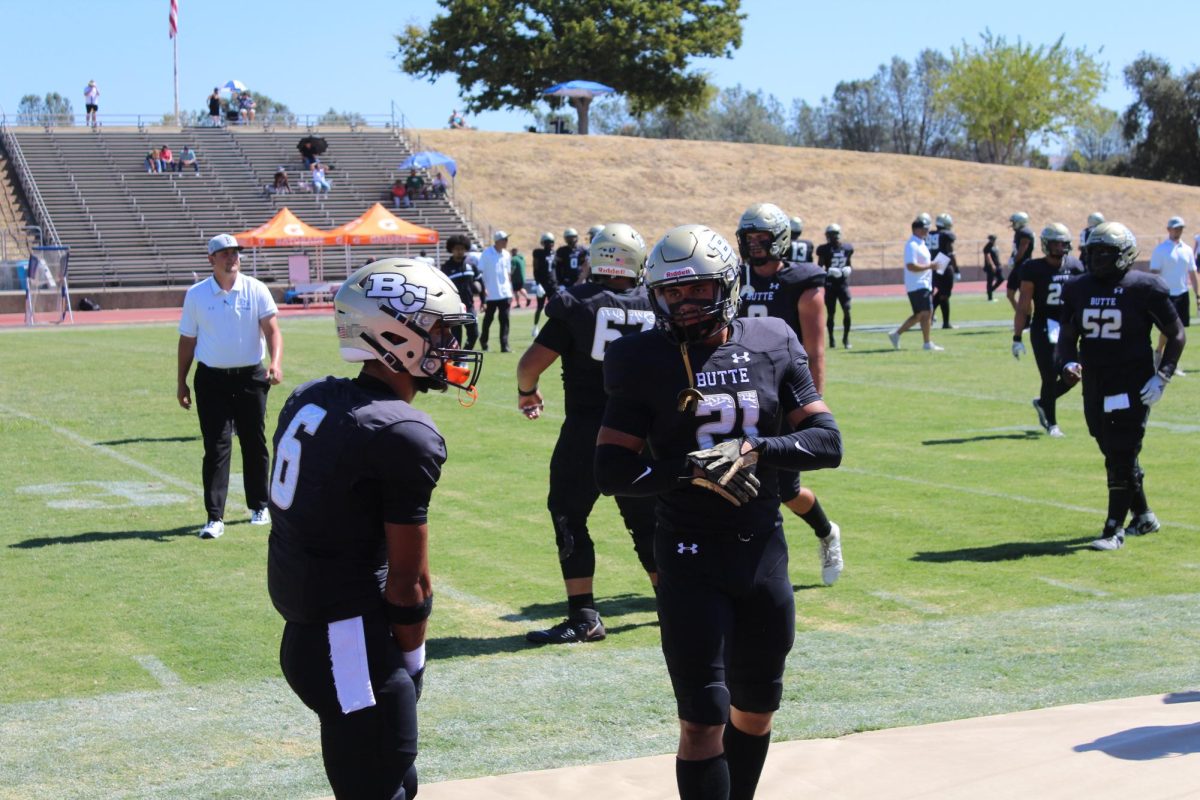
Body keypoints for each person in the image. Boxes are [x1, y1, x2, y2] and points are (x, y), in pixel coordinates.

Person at [595, 224, 843, 800]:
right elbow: (610, 472)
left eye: (697, 290)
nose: (683, 304)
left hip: (762, 551)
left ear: (727, 286)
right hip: (688, 556)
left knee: (755, 712)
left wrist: (755, 449)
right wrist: (690, 469)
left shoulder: (773, 338)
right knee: (702, 720)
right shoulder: (640, 357)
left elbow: (828, 443)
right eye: (671, 293)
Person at [267, 257, 483, 800]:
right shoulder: (402, 431)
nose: (447, 345)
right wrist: (413, 660)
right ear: (393, 334)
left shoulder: (310, 396)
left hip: (311, 633)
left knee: (390, 781)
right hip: (350, 645)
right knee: (380, 783)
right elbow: (409, 583)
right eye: (437, 331)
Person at [518, 223, 658, 644]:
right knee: (647, 522)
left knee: (568, 512)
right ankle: (674, 603)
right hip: (645, 433)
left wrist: (527, 393)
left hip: (588, 430)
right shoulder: (656, 303)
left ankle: (584, 615)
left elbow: (529, 365)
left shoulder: (576, 302)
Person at [1056, 221, 1185, 551]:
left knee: (1120, 453)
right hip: (1096, 383)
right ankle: (1143, 515)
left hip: (1131, 384)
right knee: (1112, 449)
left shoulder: (1144, 287)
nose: (1097, 258)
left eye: (1105, 252)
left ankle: (1113, 529)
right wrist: (1068, 362)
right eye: (1093, 251)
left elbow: (1176, 333)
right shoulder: (1077, 288)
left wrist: (1163, 376)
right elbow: (1068, 337)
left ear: (1125, 254)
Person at [735, 203, 843, 586]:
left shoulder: (803, 279)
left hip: (783, 393)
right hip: (740, 391)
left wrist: (810, 409)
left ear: (780, 239)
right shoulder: (734, 276)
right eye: (750, 239)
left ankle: (827, 532)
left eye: (762, 238)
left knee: (786, 491)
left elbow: (815, 349)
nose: (756, 245)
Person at [177, 234, 282, 540]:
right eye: (224, 253)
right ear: (211, 260)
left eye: (235, 252)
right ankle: (214, 517)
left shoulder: (256, 289)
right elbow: (187, 341)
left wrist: (275, 362)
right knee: (217, 446)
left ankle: (259, 505)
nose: (231, 258)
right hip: (211, 379)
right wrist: (181, 381)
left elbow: (273, 331)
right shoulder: (196, 295)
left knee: (254, 442)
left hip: (251, 377)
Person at [1012, 223, 1085, 437]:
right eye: (1055, 242)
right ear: (1045, 245)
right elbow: (1024, 305)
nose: (1060, 247)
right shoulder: (1033, 268)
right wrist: (1017, 336)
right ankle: (1052, 423)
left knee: (1075, 374)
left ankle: (1043, 402)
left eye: (1063, 242)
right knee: (1049, 375)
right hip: (1044, 325)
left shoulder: (1075, 266)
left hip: (1069, 326)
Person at [1149, 216, 1198, 375]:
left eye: (1180, 228)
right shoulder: (1161, 250)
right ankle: (1161, 354)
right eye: (1175, 228)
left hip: (1182, 293)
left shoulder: (1187, 249)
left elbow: (1192, 273)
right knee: (1168, 330)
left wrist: (1197, 295)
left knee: (1179, 330)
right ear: (1168, 229)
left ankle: (1166, 359)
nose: (1178, 231)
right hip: (1166, 295)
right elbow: (1154, 274)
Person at [888, 217, 942, 351]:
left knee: (922, 314)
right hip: (917, 284)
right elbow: (911, 266)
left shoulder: (922, 244)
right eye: (925, 229)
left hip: (924, 283)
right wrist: (930, 266)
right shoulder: (912, 245)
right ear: (917, 229)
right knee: (926, 312)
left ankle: (898, 334)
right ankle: (926, 343)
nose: (927, 231)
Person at [439, 234, 480, 351]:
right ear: (451, 249)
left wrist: (484, 300)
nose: (459, 251)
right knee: (456, 337)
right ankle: (457, 361)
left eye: (462, 249)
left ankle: (464, 354)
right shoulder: (446, 268)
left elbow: (479, 281)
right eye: (457, 249)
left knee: (474, 334)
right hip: (454, 307)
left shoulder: (470, 266)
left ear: (466, 249)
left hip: (469, 306)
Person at [817, 223, 854, 350]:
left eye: (836, 234)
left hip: (843, 284)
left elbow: (849, 264)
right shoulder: (824, 249)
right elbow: (819, 269)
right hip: (830, 285)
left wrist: (849, 269)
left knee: (847, 310)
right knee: (831, 313)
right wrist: (829, 271)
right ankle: (832, 338)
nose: (835, 237)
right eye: (832, 235)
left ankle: (846, 338)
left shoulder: (847, 248)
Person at [478, 230, 514, 351]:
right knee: (488, 320)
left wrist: (510, 289)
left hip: (505, 293)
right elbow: (480, 272)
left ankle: (504, 345)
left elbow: (508, 274)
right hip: (491, 293)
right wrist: (484, 291)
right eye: (505, 239)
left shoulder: (507, 254)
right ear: (498, 241)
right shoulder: (486, 254)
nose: (506, 242)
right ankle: (484, 341)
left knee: (505, 320)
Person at [927, 212, 960, 329]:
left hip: (933, 264)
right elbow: (951, 253)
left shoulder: (930, 234)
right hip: (943, 264)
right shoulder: (946, 235)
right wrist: (957, 269)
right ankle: (945, 323)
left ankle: (930, 317)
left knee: (941, 293)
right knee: (944, 294)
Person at [1006, 211, 1036, 312]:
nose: (1012, 224)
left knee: (1025, 296)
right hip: (1018, 266)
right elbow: (1016, 250)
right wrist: (1012, 258)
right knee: (1010, 294)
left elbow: (1022, 251)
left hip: (1024, 266)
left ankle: (1027, 320)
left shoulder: (1025, 233)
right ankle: (1021, 316)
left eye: (1014, 222)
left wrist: (1014, 260)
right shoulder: (1019, 232)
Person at [531, 231, 557, 336]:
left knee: (555, 306)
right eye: (547, 242)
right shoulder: (539, 253)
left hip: (553, 284)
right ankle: (535, 326)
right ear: (543, 243)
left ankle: (554, 327)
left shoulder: (555, 254)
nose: (549, 244)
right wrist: (538, 284)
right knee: (540, 307)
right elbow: (535, 269)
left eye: (551, 242)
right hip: (542, 284)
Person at [982, 234, 1003, 302]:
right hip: (990, 267)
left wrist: (999, 264)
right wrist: (992, 265)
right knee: (990, 281)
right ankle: (990, 298)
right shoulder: (988, 246)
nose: (993, 241)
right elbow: (987, 256)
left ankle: (990, 290)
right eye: (992, 239)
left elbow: (996, 256)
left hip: (997, 266)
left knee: (1001, 279)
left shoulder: (995, 246)